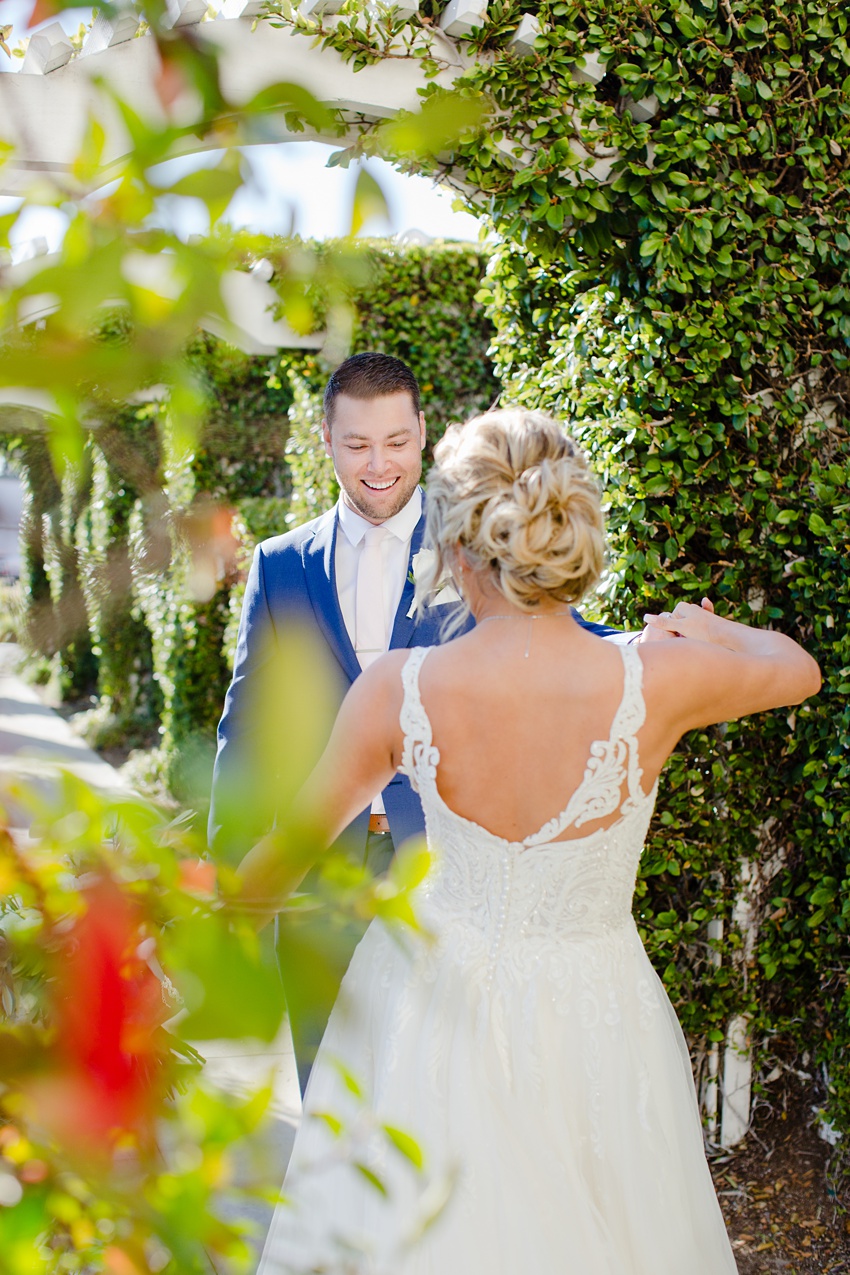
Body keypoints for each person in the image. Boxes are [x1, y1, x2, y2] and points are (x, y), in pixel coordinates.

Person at [237, 408, 821, 1275]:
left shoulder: (398, 687)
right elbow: (798, 669)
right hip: (598, 1009)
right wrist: (702, 629)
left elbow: (268, 872)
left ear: (459, 545)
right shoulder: (659, 676)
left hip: (423, 1009)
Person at [209, 353, 621, 1078]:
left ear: (424, 434)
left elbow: (559, 629)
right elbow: (244, 730)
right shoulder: (279, 565)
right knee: (326, 1088)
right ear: (327, 439)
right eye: (358, 443)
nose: (379, 464)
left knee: (435, 1087)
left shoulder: (476, 549)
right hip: (317, 875)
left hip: (444, 872)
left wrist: (647, 643)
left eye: (396, 442)